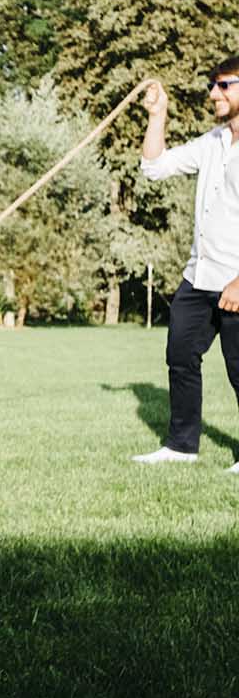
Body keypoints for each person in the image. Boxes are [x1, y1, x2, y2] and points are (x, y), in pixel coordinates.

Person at [133, 69, 239, 468]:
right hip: (199, 275)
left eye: (224, 85)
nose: (214, 92)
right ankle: (181, 447)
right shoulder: (211, 142)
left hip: (236, 278)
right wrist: (157, 115)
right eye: (212, 85)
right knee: (180, 356)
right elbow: (154, 167)